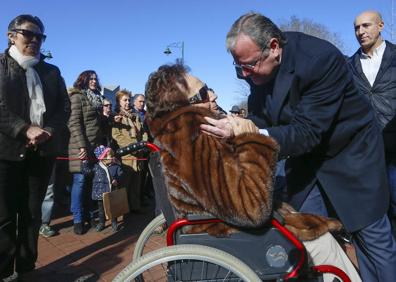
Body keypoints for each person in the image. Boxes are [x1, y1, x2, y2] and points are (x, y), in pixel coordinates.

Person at [199, 12, 396, 282]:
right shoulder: (254, 66)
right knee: (305, 230)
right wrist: (237, 127)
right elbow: (263, 113)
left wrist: (252, 132)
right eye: (239, 66)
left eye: (250, 65)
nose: (244, 74)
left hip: (351, 156)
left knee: (372, 241)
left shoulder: (320, 60)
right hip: (305, 161)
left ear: (274, 47)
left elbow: (308, 131)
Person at [145, 63, 361, 282]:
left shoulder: (184, 138)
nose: (213, 94)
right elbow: (253, 212)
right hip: (231, 241)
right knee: (324, 245)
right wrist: (254, 141)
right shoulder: (193, 145)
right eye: (204, 92)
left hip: (222, 230)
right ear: (185, 105)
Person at [0, 14, 70, 279]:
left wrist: (49, 130)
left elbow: (64, 107)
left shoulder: (51, 71)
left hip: (42, 152)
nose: (35, 40)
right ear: (11, 36)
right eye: (29, 34)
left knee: (31, 216)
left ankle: (27, 269)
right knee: (4, 217)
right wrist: (23, 128)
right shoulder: (1, 65)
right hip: (6, 152)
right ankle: (4, 271)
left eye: (40, 36)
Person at [349, 10, 396, 236]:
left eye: (366, 26)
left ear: (381, 26)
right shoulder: (348, 66)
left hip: (395, 150)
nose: (361, 32)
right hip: (366, 154)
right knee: (376, 214)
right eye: (357, 28)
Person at [68, 70, 103, 235]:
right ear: (83, 80)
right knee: (80, 182)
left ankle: (89, 214)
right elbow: (74, 123)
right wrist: (82, 147)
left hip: (94, 147)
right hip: (79, 146)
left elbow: (95, 124)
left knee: (90, 182)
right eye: (91, 78)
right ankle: (77, 219)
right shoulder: (77, 97)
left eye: (96, 79)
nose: (94, 81)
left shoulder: (97, 98)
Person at [112, 90, 147, 213]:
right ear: (119, 102)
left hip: (138, 154)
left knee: (136, 182)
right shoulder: (116, 116)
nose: (127, 102)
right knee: (125, 183)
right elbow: (116, 135)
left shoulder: (135, 116)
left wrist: (143, 143)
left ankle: (135, 207)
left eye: (128, 100)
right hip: (126, 155)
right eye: (124, 100)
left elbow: (143, 132)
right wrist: (131, 146)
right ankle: (123, 210)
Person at [81, 145, 123, 232]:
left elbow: (121, 175)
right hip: (100, 192)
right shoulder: (96, 167)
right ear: (102, 158)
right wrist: (84, 162)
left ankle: (114, 222)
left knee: (112, 208)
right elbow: (87, 172)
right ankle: (101, 223)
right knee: (101, 210)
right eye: (109, 156)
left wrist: (117, 180)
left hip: (111, 192)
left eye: (112, 155)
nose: (111, 158)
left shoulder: (115, 166)